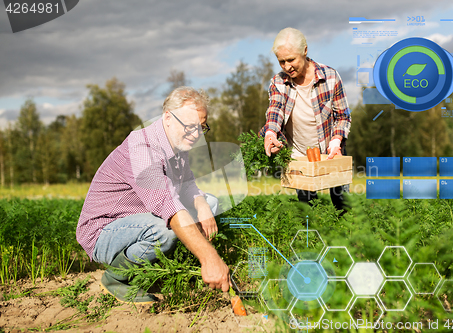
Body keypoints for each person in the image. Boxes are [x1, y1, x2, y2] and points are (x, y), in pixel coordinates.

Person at [76, 87, 231, 304]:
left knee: (210, 202)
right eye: (190, 126)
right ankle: (116, 278)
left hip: (138, 219)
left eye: (201, 127)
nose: (196, 135)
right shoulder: (142, 148)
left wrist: (201, 203)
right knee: (164, 231)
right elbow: (169, 206)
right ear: (168, 117)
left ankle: (171, 265)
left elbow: (186, 184)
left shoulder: (177, 141)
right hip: (104, 231)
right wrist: (210, 258)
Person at [258, 27, 351, 211]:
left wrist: (336, 141)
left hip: (330, 150)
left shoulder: (330, 77)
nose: (287, 66)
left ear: (305, 51)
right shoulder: (278, 82)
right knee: (307, 208)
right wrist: (270, 133)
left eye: (291, 60)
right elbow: (275, 109)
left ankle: (347, 238)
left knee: (343, 203)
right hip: (299, 155)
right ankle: (312, 239)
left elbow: (342, 116)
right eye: (281, 61)